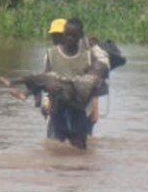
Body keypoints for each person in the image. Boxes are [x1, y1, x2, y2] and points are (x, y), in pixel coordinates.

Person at [42, 17, 109, 149]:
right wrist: (46, 103)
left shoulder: (87, 54)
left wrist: (95, 110)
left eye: (58, 35)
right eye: (54, 36)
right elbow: (48, 81)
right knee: (55, 147)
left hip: (82, 110)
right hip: (58, 109)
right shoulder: (51, 55)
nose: (56, 39)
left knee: (80, 147)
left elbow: (92, 85)